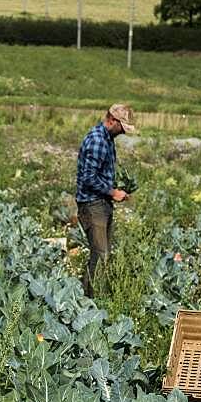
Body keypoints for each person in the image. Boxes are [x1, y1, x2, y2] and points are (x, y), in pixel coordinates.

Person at [75, 104, 136, 297]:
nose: (123, 132)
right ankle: (92, 300)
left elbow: (99, 174)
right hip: (93, 205)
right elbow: (88, 177)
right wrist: (112, 193)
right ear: (112, 120)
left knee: (100, 254)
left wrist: (117, 190)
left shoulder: (107, 139)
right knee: (101, 255)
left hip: (101, 203)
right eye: (122, 127)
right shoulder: (98, 141)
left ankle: (87, 298)